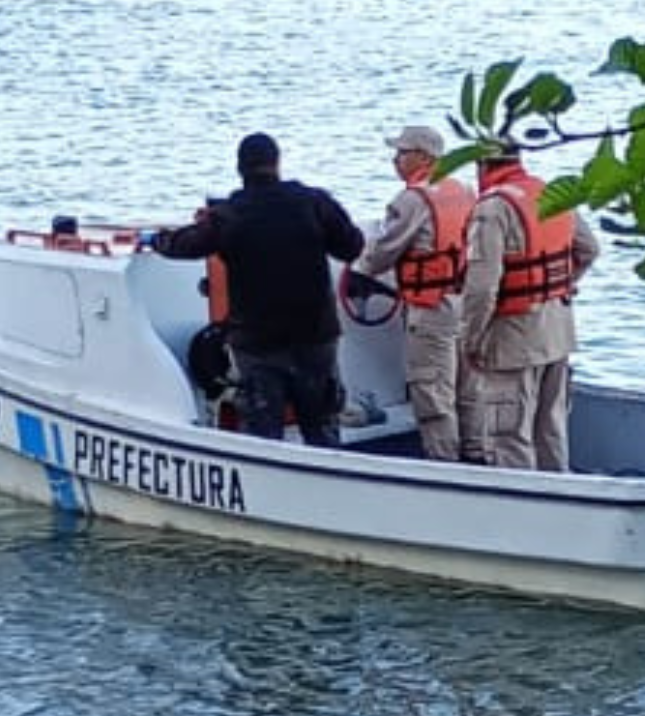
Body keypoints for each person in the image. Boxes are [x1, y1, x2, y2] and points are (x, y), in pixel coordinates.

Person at [145, 132, 364, 446]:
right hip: (315, 335)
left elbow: (186, 245)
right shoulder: (314, 202)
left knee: (263, 438)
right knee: (323, 430)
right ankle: (332, 487)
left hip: (259, 344)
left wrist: (157, 240)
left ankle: (267, 489)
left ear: (240, 169)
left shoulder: (229, 215)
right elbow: (352, 246)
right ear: (277, 163)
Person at [460, 147, 600, 471]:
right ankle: (562, 497)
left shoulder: (493, 208)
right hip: (558, 331)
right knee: (551, 427)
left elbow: (482, 287)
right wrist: (562, 284)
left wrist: (471, 339)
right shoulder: (550, 193)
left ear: (482, 166)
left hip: (512, 339)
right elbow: (589, 249)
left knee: (508, 434)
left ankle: (521, 508)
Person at [348, 124, 477, 461]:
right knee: (469, 389)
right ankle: (478, 456)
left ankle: (444, 466)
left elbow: (382, 252)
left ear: (423, 156)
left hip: (431, 308)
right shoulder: (463, 191)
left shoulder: (412, 200)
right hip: (466, 301)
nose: (395, 159)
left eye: (401, 152)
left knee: (432, 391)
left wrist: (359, 272)